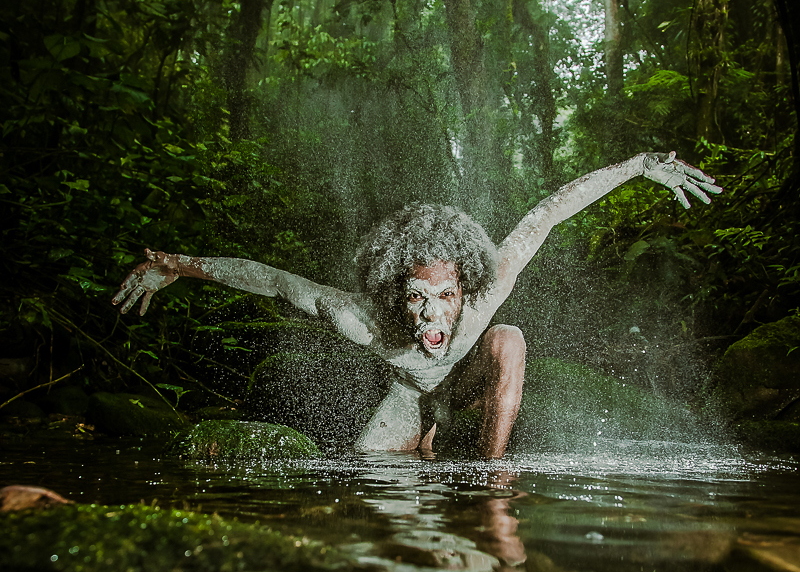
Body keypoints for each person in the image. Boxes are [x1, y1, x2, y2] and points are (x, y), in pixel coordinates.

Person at [113, 152, 722, 457]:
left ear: (466, 289)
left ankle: (490, 478)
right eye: (418, 298)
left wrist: (641, 166)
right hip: (407, 399)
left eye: (446, 297)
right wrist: (178, 265)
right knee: (367, 471)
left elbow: (550, 212)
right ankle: (424, 450)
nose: (432, 316)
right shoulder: (363, 319)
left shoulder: (487, 297)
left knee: (509, 340)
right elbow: (274, 280)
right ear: (395, 295)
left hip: (465, 387)